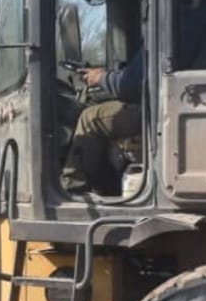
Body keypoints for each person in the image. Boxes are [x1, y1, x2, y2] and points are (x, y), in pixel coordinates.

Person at [61, 43, 144, 193]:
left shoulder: (161, 33)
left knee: (90, 118)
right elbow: (135, 76)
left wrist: (102, 78)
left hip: (151, 107)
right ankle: (107, 183)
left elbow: (129, 85)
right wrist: (107, 75)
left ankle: (73, 186)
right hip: (156, 101)